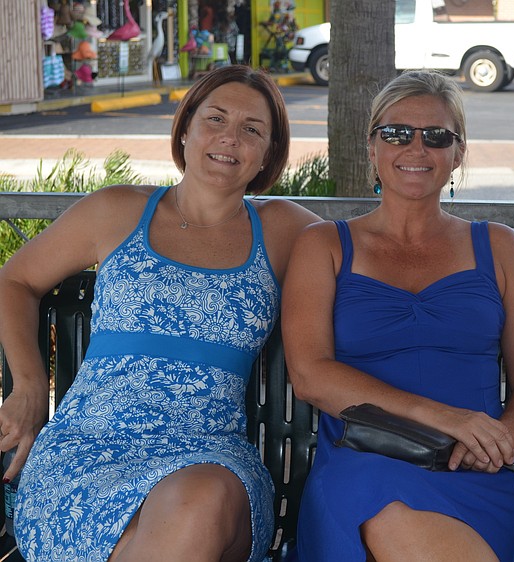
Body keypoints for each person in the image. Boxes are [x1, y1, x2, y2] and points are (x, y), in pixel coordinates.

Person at [0, 65, 320, 561]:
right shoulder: (116, 211)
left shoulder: (284, 230)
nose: (229, 139)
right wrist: (26, 388)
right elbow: (14, 280)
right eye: (215, 119)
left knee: (199, 505)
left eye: (252, 129)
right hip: (85, 452)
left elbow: (372, 279)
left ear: (268, 154)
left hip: (209, 455)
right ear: (186, 127)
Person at [281, 70, 514, 561]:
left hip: (479, 464)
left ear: (459, 153)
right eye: (396, 133)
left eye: (436, 137)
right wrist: (444, 417)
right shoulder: (324, 246)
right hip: (366, 458)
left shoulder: (497, 246)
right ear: (371, 148)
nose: (416, 148)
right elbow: (311, 377)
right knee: (395, 522)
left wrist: (505, 436)